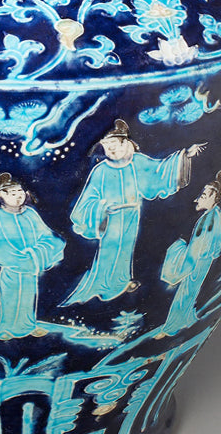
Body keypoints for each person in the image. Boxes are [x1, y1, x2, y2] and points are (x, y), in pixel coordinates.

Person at [61, 120, 205, 305]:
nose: (110, 149)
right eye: (106, 146)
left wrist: (185, 155)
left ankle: (121, 282)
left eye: (113, 144)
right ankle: (103, 285)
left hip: (131, 215)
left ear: (125, 142)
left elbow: (159, 171)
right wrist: (102, 208)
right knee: (108, 252)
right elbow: (88, 200)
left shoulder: (137, 162)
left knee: (125, 251)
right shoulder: (100, 171)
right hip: (110, 219)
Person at [0, 175, 65, 340]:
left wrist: (36, 252)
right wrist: (21, 259)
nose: (18, 196)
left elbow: (48, 236)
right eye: (12, 193)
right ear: (1, 195)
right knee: (10, 297)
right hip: (12, 269)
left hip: (31, 267)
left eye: (20, 191)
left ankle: (27, 326)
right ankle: (6, 328)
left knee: (28, 297)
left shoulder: (30, 213)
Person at [159, 170, 221, 334]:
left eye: (203, 195)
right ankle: (182, 320)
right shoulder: (210, 216)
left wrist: (188, 262)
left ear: (213, 197)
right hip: (197, 260)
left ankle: (173, 327)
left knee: (187, 292)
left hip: (198, 262)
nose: (198, 198)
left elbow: (209, 244)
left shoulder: (214, 216)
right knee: (187, 291)